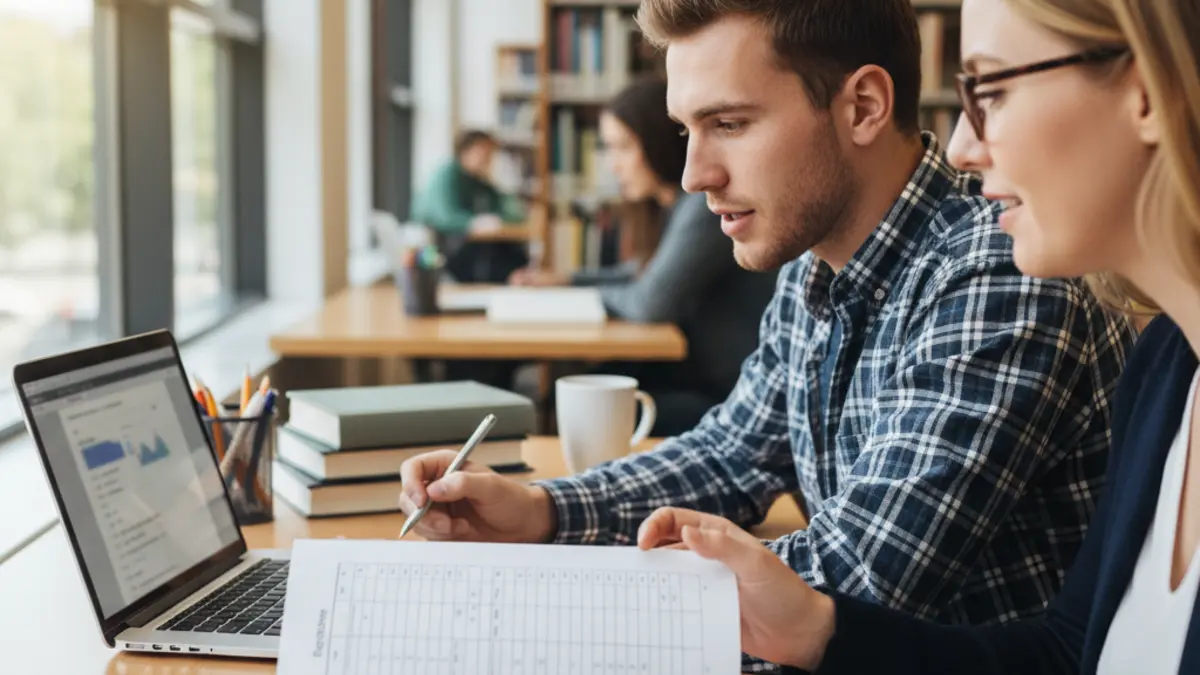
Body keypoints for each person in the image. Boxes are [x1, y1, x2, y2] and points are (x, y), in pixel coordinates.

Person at [398, 0, 1137, 655]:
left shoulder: (999, 270)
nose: (693, 174)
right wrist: (543, 509)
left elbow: (851, 587)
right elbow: (732, 456)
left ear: (863, 107)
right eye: (687, 130)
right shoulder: (813, 267)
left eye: (729, 123)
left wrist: (552, 608)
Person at [634, 0, 1200, 672]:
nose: (962, 142)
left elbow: (866, 572)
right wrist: (818, 630)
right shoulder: (1168, 367)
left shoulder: (999, 273)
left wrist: (603, 605)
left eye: (991, 88)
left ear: (1145, 91)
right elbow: (1070, 649)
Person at [509, 77, 779, 436]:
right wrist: (569, 280)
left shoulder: (704, 209)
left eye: (621, 148)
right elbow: (641, 272)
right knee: (579, 391)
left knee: (587, 405)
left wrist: (581, 295)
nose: (612, 165)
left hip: (728, 394)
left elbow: (650, 300)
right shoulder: (673, 208)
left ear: (657, 142)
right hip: (698, 373)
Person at [412, 129, 528, 283]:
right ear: (465, 150)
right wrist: (474, 222)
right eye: (483, 150)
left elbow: (506, 207)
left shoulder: (476, 181)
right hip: (435, 251)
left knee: (513, 251)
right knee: (494, 256)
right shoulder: (447, 174)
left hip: (461, 244)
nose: (488, 157)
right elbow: (446, 217)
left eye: (491, 152)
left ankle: (519, 281)